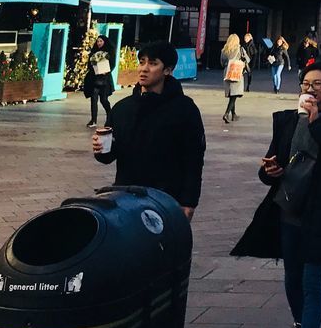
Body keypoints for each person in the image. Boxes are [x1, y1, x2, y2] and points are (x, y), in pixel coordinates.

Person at [233, 64, 321, 328]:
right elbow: (271, 164)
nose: (310, 88)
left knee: (312, 282)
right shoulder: (286, 120)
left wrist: (316, 122)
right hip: (289, 211)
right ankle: (302, 325)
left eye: (318, 84)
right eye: (306, 83)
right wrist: (269, 170)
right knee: (292, 280)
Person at [91, 41, 206, 220]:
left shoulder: (185, 109)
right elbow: (109, 156)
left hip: (166, 199)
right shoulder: (122, 109)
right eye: (142, 62)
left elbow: (194, 159)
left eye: (153, 63)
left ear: (167, 70)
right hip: (126, 198)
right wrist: (101, 149)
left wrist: (189, 202)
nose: (144, 69)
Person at [83, 34, 114, 128]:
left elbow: (112, 64)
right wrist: (94, 68)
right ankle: (93, 120)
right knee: (94, 98)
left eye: (101, 41)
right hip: (94, 79)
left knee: (104, 100)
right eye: (98, 41)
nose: (99, 43)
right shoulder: (94, 52)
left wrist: (106, 71)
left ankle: (110, 117)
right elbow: (90, 64)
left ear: (104, 42)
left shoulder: (110, 52)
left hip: (105, 80)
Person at [221, 34, 247, 124]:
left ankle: (234, 114)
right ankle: (226, 113)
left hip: (227, 73)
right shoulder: (240, 49)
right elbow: (246, 60)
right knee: (234, 95)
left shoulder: (225, 50)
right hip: (236, 72)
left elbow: (222, 62)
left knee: (232, 94)